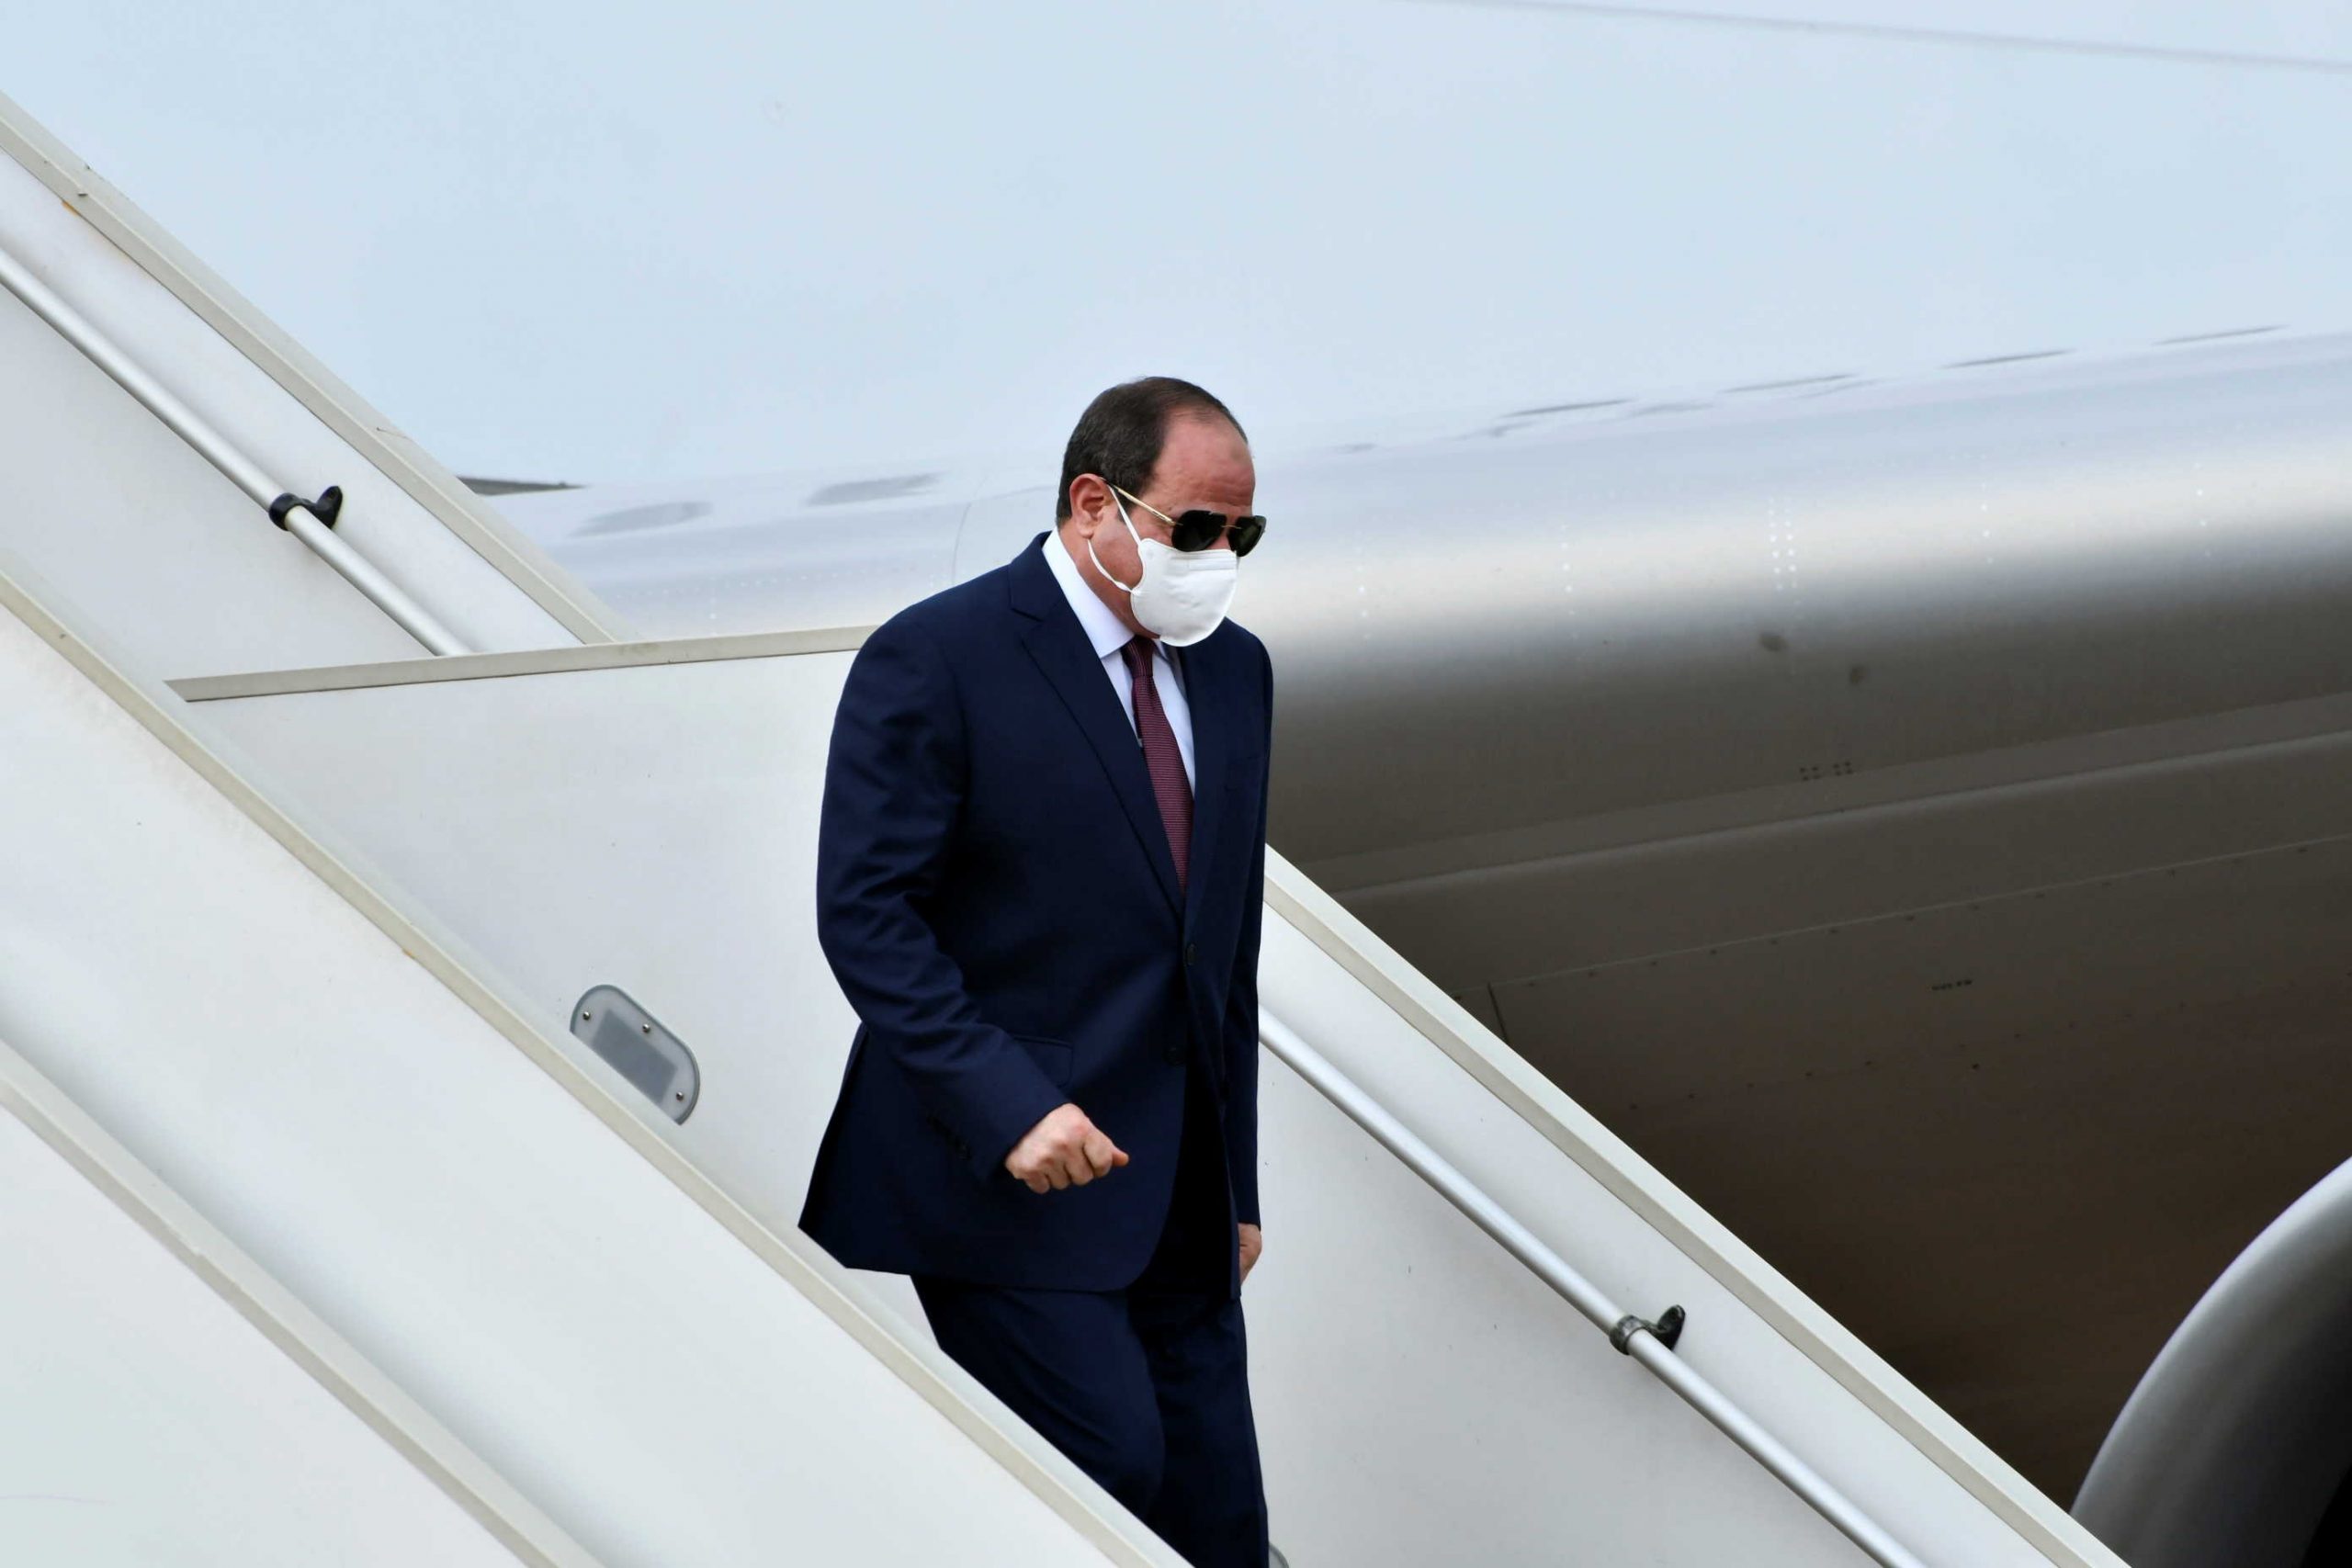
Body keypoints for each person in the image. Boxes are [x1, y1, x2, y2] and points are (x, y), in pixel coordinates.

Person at [797, 376, 1274, 1566]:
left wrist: (1240, 1185)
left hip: (1178, 1194)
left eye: (1243, 534)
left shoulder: (1236, 672)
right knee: (1107, 1475)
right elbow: (868, 916)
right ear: (1093, 504)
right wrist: (1010, 1106)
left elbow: (1225, 953)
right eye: (1196, 528)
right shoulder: (939, 655)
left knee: (1220, 1523)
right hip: (1000, 1182)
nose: (1219, 558)